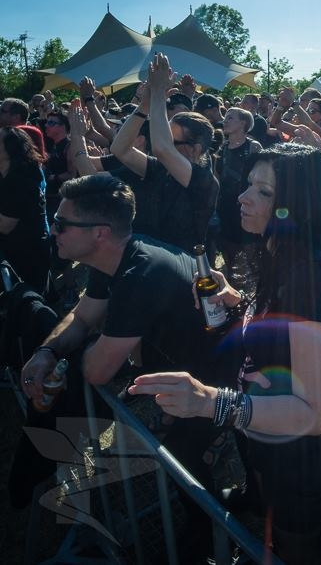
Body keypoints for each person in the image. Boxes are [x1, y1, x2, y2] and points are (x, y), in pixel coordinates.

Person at [130, 142, 321, 563]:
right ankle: (256, 502)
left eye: (264, 191)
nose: (242, 197)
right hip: (267, 434)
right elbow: (285, 326)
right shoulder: (280, 254)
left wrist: (210, 401)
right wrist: (238, 301)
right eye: (248, 185)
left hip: (302, 459)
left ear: (296, 208)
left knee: (296, 548)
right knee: (266, 507)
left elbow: (312, 414)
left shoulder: (311, 280)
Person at [17, 172, 225, 557]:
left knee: (185, 460)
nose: (53, 230)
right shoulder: (113, 256)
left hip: (217, 379)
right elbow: (82, 317)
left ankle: (209, 538)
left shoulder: (139, 274)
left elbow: (97, 371)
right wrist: (48, 352)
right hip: (183, 368)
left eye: (61, 223)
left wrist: (72, 357)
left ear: (99, 233)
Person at [110, 54, 219, 251]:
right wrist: (144, 105)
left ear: (196, 149)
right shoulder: (161, 168)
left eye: (173, 141)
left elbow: (161, 148)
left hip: (183, 264)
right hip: (150, 257)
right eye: (166, 136)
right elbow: (120, 149)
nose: (164, 142)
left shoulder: (204, 180)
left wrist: (159, 91)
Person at [0, 127, 50, 293]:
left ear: (10, 149)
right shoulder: (5, 175)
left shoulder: (21, 179)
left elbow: (5, 226)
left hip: (28, 252)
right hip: (13, 249)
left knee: (29, 298)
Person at [215, 107, 262, 282]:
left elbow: (262, 176)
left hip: (247, 206)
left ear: (243, 123)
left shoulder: (253, 147)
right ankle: (233, 285)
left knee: (251, 253)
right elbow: (216, 178)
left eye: (230, 118)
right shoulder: (221, 148)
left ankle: (257, 285)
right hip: (226, 207)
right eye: (225, 117)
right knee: (229, 253)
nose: (225, 121)